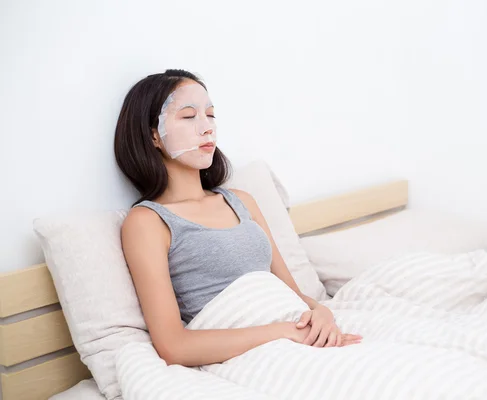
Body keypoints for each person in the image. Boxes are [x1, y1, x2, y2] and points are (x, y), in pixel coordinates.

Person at [114, 69, 361, 367]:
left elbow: (293, 295)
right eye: (189, 116)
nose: (207, 129)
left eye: (211, 115)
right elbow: (174, 346)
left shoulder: (241, 201)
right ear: (153, 135)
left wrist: (321, 313)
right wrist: (284, 334)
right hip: (256, 354)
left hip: (296, 335)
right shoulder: (147, 222)